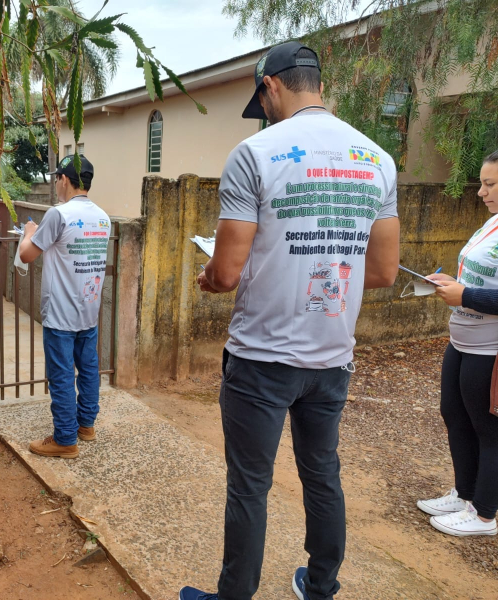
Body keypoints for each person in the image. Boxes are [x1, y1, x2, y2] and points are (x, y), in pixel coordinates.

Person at [179, 41, 400, 600]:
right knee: (322, 473)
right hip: (332, 357)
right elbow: (383, 272)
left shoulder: (255, 155)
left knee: (250, 486)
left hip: (262, 358)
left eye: (262, 100)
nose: (264, 112)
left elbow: (226, 273)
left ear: (270, 85)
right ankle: (321, 586)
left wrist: (210, 274)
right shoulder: (377, 159)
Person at [416, 150, 498, 537]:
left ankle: (484, 515)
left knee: (488, 429)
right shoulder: (491, 224)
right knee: (455, 415)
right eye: (482, 182)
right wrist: (450, 282)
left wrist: (464, 296)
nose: (481, 192)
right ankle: (465, 494)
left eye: (491, 184)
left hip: (491, 350)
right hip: (462, 341)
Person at [18, 154, 110, 459]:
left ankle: (65, 439)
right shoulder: (103, 217)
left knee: (60, 376)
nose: (57, 183)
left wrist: (29, 233)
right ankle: (86, 425)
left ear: (65, 180)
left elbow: (29, 254)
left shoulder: (58, 215)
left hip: (60, 313)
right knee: (88, 370)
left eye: (58, 178)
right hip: (89, 310)